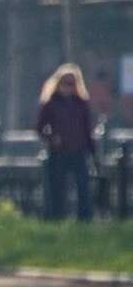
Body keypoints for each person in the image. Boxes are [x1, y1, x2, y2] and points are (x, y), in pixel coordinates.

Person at [37, 64, 97, 221]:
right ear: (58, 83)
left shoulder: (81, 103)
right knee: (57, 188)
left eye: (72, 83)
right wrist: (52, 138)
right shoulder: (51, 103)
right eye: (65, 83)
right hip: (58, 152)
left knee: (83, 187)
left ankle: (85, 219)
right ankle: (56, 218)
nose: (68, 87)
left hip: (79, 150)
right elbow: (40, 127)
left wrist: (92, 151)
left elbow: (87, 129)